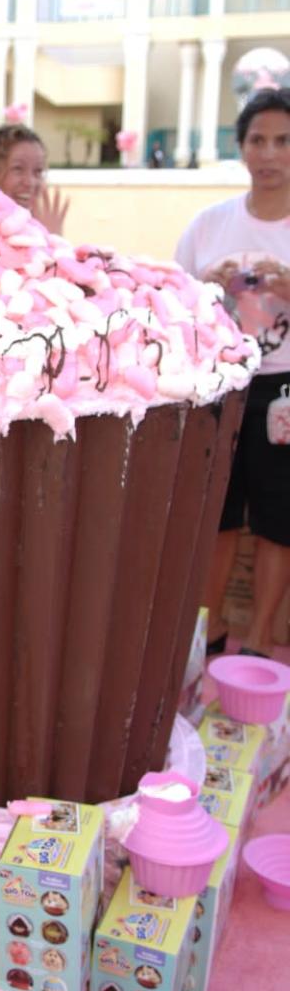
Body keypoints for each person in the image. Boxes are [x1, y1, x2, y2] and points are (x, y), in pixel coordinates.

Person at [175, 88, 290, 656]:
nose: (269, 154)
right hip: (219, 387)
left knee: (278, 521)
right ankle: (209, 631)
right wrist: (209, 285)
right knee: (215, 515)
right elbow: (171, 304)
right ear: (241, 148)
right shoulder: (209, 224)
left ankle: (263, 638)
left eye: (283, 141)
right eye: (258, 140)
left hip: (284, 391)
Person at [0, 123, 70, 235]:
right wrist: (47, 237)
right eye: (17, 169)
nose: (30, 182)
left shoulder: (37, 225)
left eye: (38, 171)